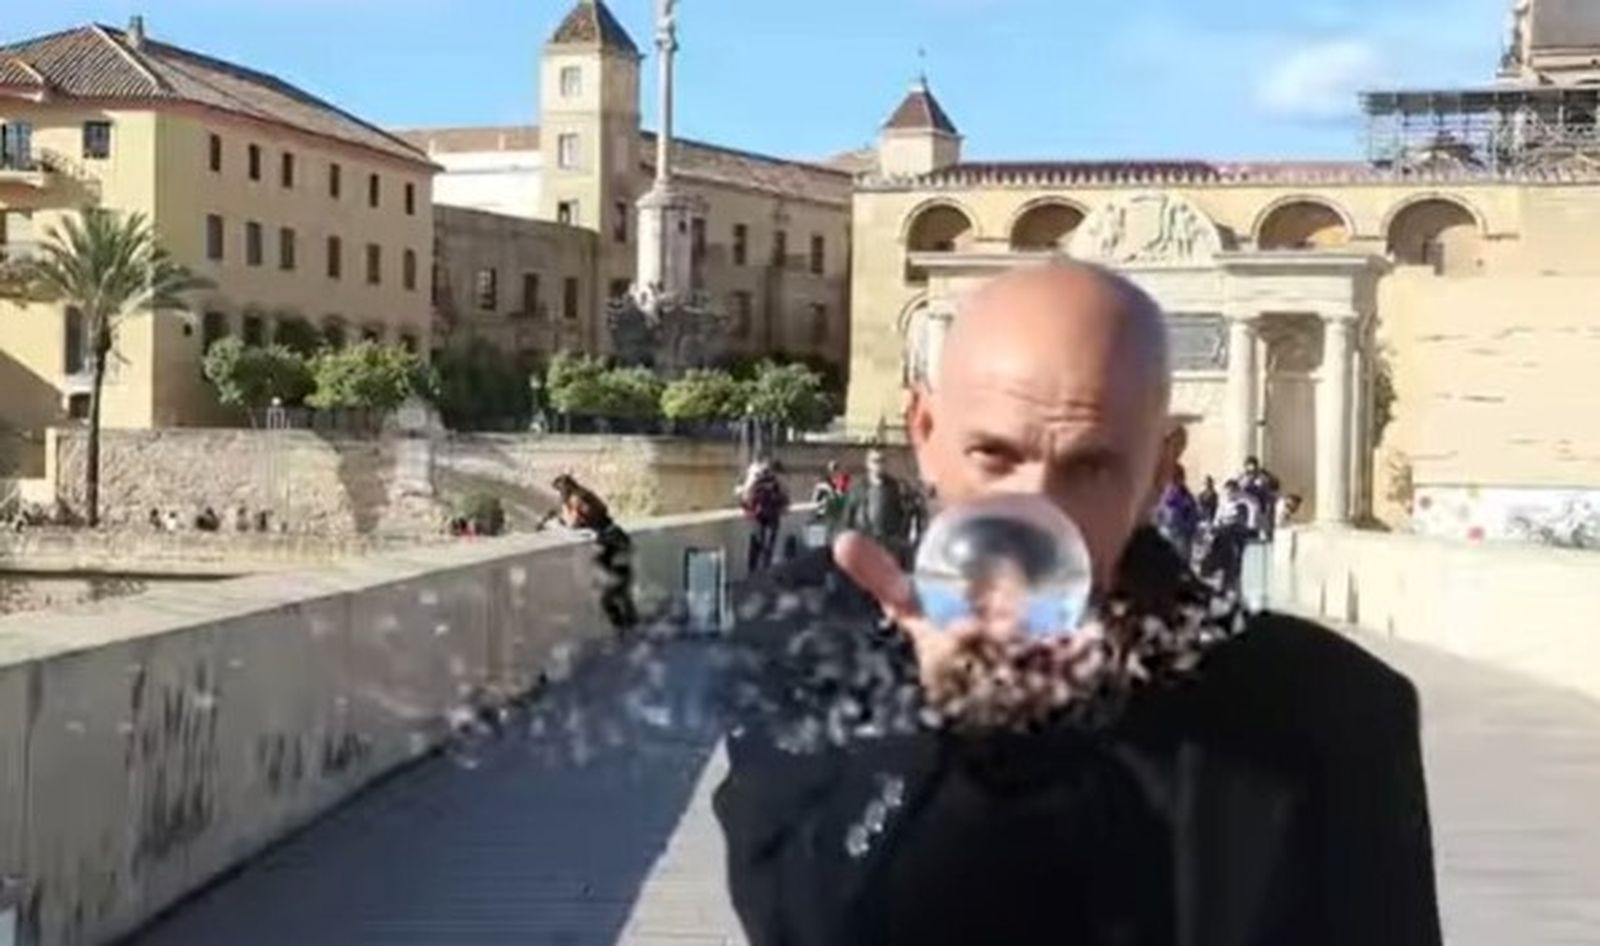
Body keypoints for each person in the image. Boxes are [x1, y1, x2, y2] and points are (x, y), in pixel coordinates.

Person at [715, 262, 1439, 946]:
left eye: (1088, 466)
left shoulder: (1329, 707)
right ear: (925, 434)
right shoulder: (806, 632)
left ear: (1160, 469)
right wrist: (932, 737)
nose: (1034, 508)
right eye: (995, 456)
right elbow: (794, 922)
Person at [542, 474, 638, 634]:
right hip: (618, 538)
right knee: (621, 589)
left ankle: (623, 633)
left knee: (607, 592)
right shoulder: (585, 495)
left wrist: (555, 522)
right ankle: (632, 631)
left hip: (609, 543)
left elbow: (574, 523)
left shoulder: (575, 500)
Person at [841, 448, 922, 566]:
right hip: (866, 545)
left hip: (889, 547)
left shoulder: (896, 488)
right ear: (868, 464)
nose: (879, 465)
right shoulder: (857, 490)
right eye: (875, 461)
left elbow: (907, 515)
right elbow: (847, 520)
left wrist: (901, 540)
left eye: (882, 461)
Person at [740, 459, 790, 573]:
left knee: (761, 544)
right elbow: (784, 497)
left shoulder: (769, 480)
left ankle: (757, 571)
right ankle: (760, 570)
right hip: (765, 515)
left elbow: (746, 496)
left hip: (764, 515)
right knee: (764, 544)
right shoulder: (768, 479)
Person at [1153, 463, 1200, 562]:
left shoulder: (1188, 498)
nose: (1173, 483)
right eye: (1172, 480)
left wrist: (1186, 530)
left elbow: (1193, 519)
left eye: (1177, 479)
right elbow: (1155, 516)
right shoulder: (1161, 496)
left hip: (1181, 538)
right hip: (1164, 535)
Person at [1240, 455, 1281, 541]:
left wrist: (1266, 477)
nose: (1252, 471)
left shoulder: (1263, 476)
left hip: (1262, 506)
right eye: (1249, 467)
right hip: (1245, 508)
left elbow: (1275, 485)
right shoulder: (1242, 476)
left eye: (1254, 467)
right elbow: (1238, 488)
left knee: (1263, 529)